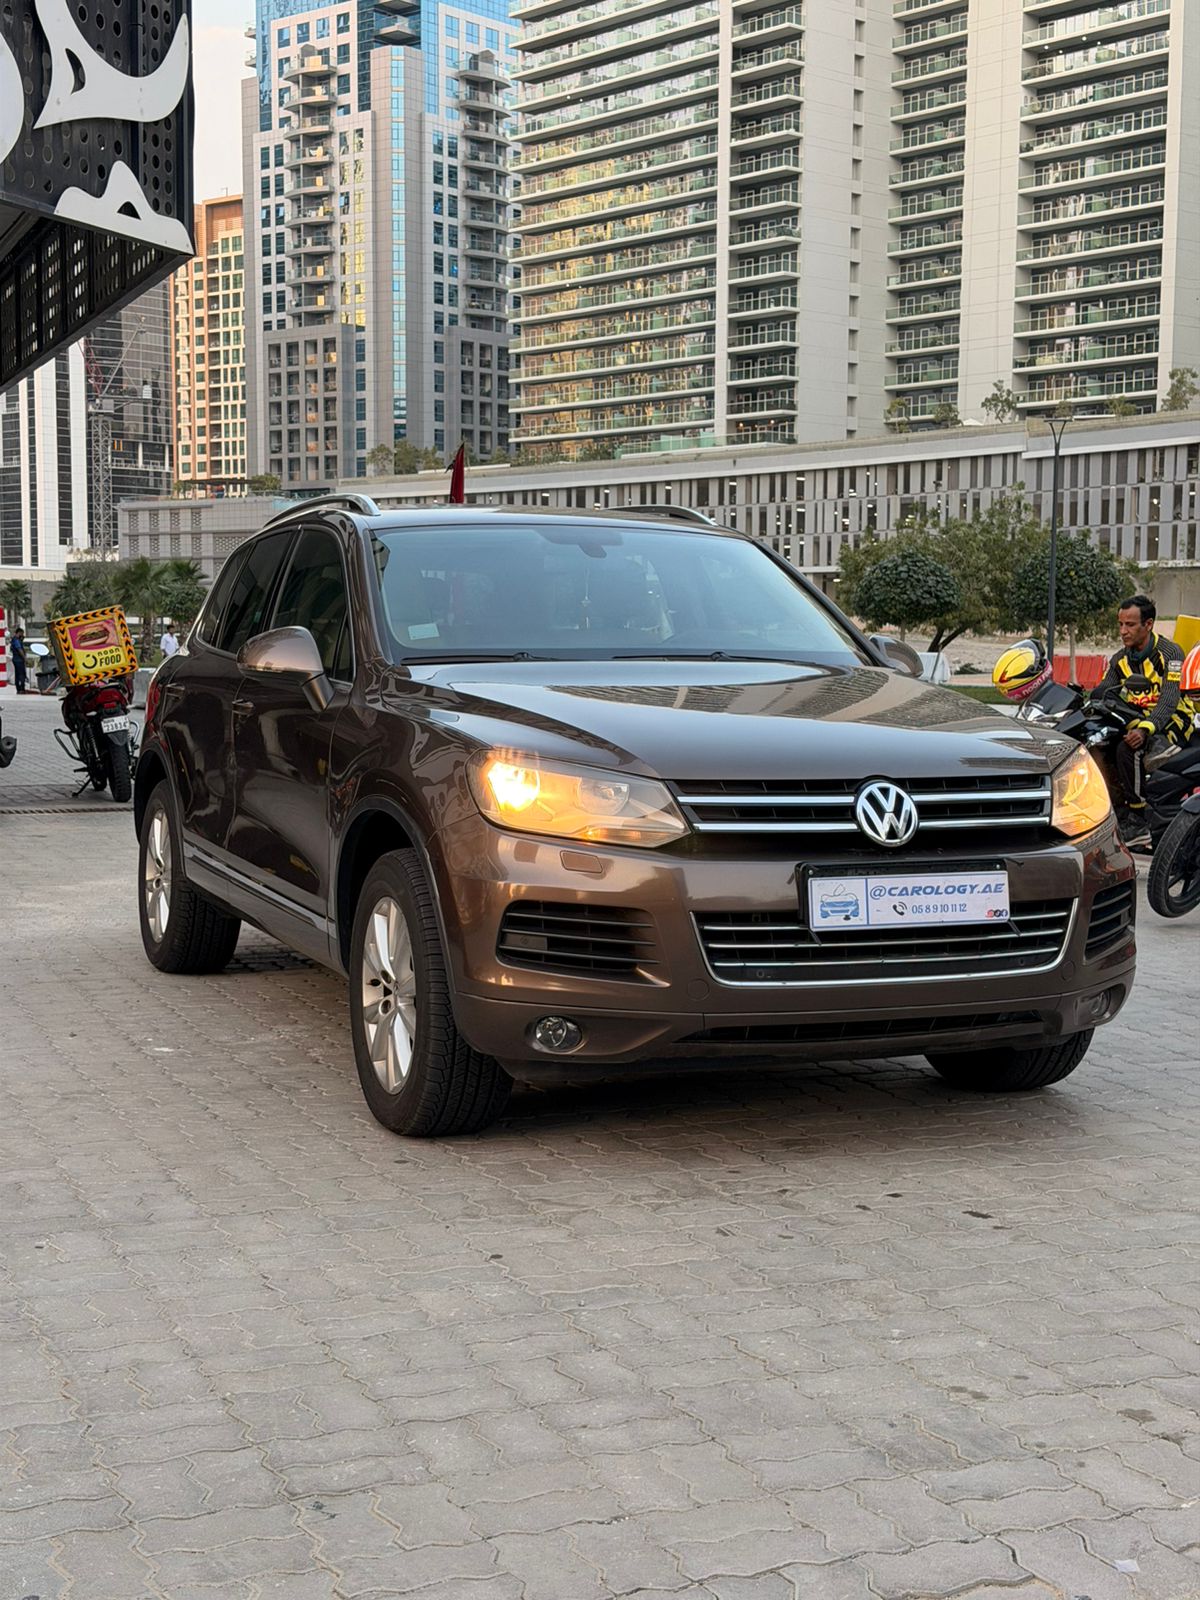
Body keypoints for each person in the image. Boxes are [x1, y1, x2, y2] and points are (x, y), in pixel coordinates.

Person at [1097, 594, 1195, 842]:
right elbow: (1104, 691)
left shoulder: (1171, 653)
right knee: (1100, 745)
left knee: (1127, 750)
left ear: (1148, 624)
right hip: (1138, 719)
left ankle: (1138, 820)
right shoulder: (1120, 659)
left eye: (1130, 625)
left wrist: (1145, 730)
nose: (1123, 631)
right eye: (1120, 624)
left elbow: (1170, 698)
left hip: (1173, 721)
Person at [10, 628, 27, 693]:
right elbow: (19, 650)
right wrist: (24, 658)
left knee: (18, 674)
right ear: (19, 632)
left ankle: (19, 689)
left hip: (16, 659)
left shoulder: (15, 640)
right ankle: (21, 688)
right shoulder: (16, 640)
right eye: (22, 633)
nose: (22, 635)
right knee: (21, 674)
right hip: (18, 660)